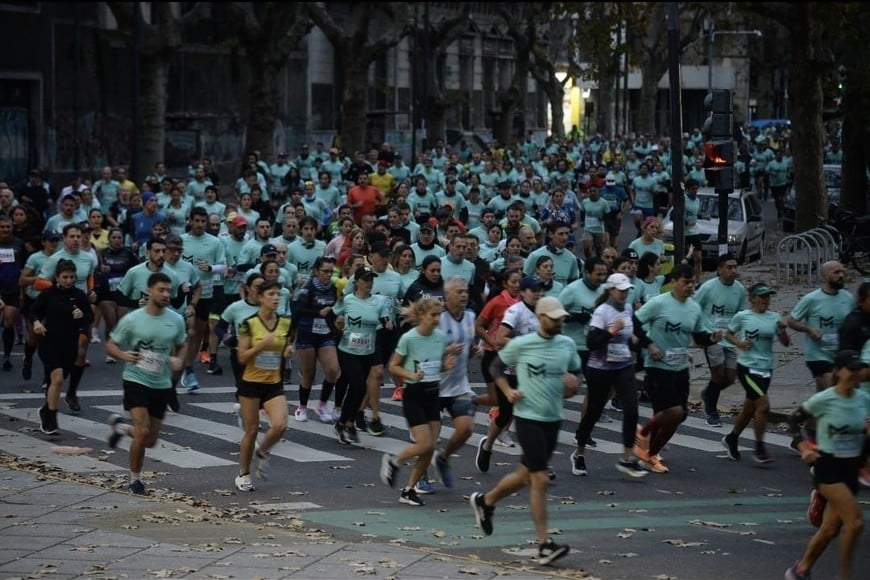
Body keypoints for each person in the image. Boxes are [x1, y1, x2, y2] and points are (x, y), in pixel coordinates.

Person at [469, 296, 580, 566]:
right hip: (527, 416)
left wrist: (571, 382)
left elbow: (574, 375)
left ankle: (486, 501)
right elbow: (495, 365)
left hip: (552, 419)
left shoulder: (567, 344)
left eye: (561, 317)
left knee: (523, 476)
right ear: (541, 318)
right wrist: (507, 390)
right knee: (539, 479)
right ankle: (544, 545)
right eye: (554, 317)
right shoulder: (522, 344)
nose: (559, 321)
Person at [783, 350, 868, 580]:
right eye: (851, 369)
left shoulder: (864, 400)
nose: (856, 374)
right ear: (838, 371)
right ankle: (845, 576)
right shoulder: (825, 399)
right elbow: (793, 420)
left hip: (851, 470)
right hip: (828, 468)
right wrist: (804, 448)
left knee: (831, 529)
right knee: (856, 523)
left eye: (858, 369)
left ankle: (800, 569)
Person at [103, 272, 187, 495]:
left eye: (169, 290)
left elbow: (182, 344)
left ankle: (121, 427)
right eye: (161, 290)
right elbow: (110, 344)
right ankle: (135, 480)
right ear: (149, 291)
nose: (166, 294)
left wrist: (180, 359)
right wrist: (122, 355)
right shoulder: (133, 319)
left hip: (162, 383)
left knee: (150, 440)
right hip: (135, 380)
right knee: (142, 431)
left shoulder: (176, 320)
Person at [633, 264, 722, 473]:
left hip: (680, 368)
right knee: (673, 411)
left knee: (678, 417)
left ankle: (650, 455)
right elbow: (634, 322)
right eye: (686, 282)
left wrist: (711, 338)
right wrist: (650, 345)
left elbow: (698, 335)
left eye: (693, 283)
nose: (690, 286)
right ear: (674, 282)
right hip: (657, 366)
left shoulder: (694, 307)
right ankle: (643, 433)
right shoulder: (659, 303)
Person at [381, 297, 458, 506]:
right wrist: (411, 374)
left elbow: (437, 365)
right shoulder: (409, 338)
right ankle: (394, 461)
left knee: (430, 447)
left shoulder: (441, 338)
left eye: (439, 315)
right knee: (424, 443)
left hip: (433, 395)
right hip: (414, 394)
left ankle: (408, 490)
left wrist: (446, 365)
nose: (436, 319)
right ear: (421, 315)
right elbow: (393, 366)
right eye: (433, 315)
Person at [571, 273, 649, 478]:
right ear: (611, 290)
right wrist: (612, 331)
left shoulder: (629, 309)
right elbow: (591, 343)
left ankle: (627, 458)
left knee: (632, 409)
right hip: (600, 368)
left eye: (626, 290)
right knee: (594, 412)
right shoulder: (602, 312)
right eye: (620, 290)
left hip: (623, 366)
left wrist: (639, 341)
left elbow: (636, 333)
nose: (624, 294)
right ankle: (579, 452)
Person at [230, 280, 294, 492]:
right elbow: (241, 357)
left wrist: (287, 351)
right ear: (260, 298)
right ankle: (244, 474)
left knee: (280, 425)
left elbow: (286, 344)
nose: (276, 298)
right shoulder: (249, 323)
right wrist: (261, 345)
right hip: (250, 384)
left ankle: (263, 451)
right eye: (271, 294)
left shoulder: (285, 322)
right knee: (252, 429)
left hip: (273, 383)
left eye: (278, 294)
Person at [476, 276, 544, 470]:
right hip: (511, 370)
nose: (537, 293)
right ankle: (487, 445)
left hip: (535, 372)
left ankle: (538, 461)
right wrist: (525, 346)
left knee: (535, 416)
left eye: (539, 290)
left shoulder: (544, 310)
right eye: (533, 290)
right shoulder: (515, 312)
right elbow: (499, 339)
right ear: (523, 293)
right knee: (505, 415)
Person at [720, 283, 791, 463]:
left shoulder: (774, 317)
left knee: (750, 408)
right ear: (752, 299)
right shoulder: (742, 316)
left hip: (766, 368)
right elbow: (728, 334)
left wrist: (783, 330)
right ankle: (759, 448)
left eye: (768, 296)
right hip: (747, 368)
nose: (766, 300)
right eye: (762, 296)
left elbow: (786, 343)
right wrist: (738, 343)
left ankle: (732, 438)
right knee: (763, 406)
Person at [30, 259, 93, 435]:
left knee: (55, 382)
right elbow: (34, 310)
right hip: (49, 342)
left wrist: (82, 315)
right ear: (57, 277)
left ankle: (45, 410)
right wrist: (36, 322)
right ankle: (51, 420)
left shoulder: (79, 295)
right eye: (65, 277)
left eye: (72, 277)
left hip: (69, 344)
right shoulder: (49, 294)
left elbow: (89, 315)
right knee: (56, 379)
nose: (69, 280)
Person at [331, 266, 392, 444]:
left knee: (359, 389)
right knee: (358, 385)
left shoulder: (379, 301)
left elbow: (385, 317)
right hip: (347, 350)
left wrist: (388, 323)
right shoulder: (348, 300)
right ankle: (344, 422)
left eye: (371, 280)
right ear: (356, 282)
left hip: (368, 351)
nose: (369, 283)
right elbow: (333, 315)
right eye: (365, 280)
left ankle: (347, 422)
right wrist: (337, 325)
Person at [431, 277, 478, 489]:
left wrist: (476, 350)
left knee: (466, 429)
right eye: (459, 292)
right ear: (447, 295)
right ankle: (420, 477)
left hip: (459, 385)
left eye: (465, 291)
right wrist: (445, 352)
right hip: (433, 386)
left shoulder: (470, 317)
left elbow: (468, 347)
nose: (464, 295)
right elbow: (422, 351)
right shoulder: (437, 320)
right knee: (428, 440)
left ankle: (443, 457)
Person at [694, 253, 746, 427]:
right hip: (711, 337)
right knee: (718, 374)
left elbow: (740, 314)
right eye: (729, 267)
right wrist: (700, 333)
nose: (733, 270)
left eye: (735, 267)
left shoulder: (740, 290)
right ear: (720, 269)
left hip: (728, 338)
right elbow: (694, 307)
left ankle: (708, 393)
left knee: (730, 377)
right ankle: (712, 410)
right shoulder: (708, 288)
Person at [292, 256, 340, 423]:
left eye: (331, 272)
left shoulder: (333, 288)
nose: (328, 275)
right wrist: (317, 312)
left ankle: (321, 405)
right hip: (307, 333)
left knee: (333, 370)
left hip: (325, 334)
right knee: (309, 374)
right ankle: (302, 407)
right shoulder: (308, 288)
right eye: (325, 271)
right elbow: (298, 310)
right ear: (316, 272)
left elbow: (334, 309)